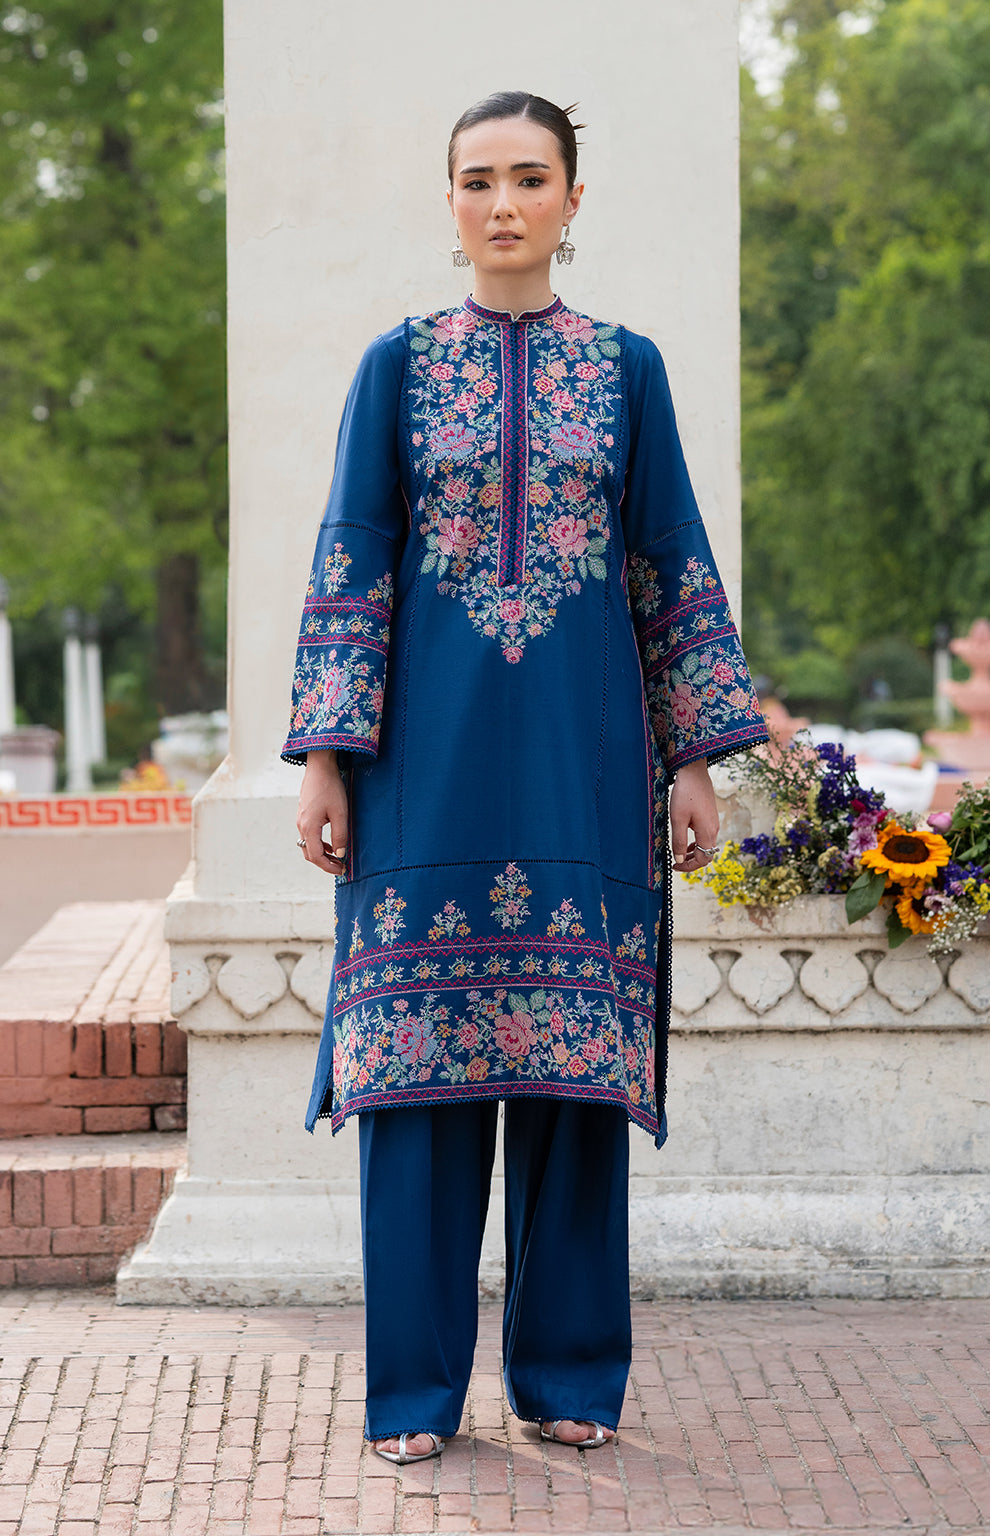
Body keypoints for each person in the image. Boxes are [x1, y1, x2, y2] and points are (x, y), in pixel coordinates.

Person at [282, 90, 768, 1465]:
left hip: (583, 771)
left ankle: (566, 1375)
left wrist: (692, 761)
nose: (504, 202)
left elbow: (669, 560)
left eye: (530, 177)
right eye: (478, 180)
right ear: (449, 203)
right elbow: (352, 559)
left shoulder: (628, 369)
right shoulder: (395, 365)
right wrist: (327, 757)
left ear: (570, 199)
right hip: (421, 777)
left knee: (571, 1092)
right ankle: (412, 1397)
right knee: (414, 1092)